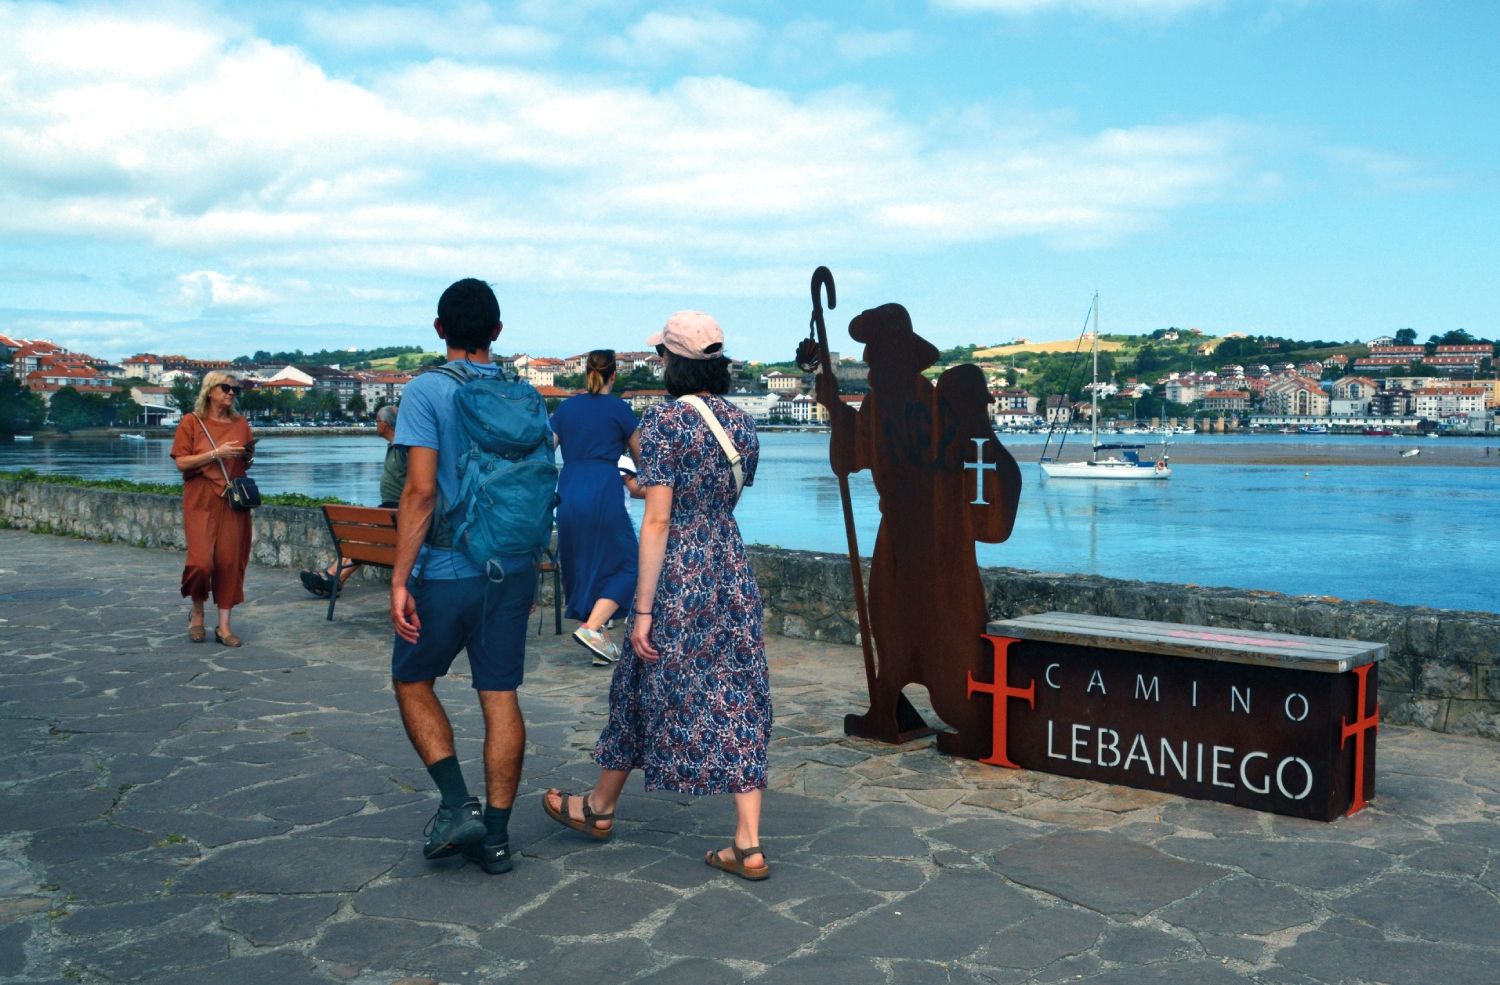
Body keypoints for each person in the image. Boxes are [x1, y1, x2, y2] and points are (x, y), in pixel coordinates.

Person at [543, 311, 772, 881]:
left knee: (640, 680)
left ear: (671, 363)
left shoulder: (666, 421)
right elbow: (719, 500)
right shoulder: (742, 423)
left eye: (662, 356)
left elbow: (658, 521)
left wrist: (641, 610)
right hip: (730, 565)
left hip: (680, 575)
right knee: (740, 689)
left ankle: (598, 808)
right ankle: (747, 842)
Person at [389, 278, 540, 876]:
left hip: (449, 568)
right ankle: (497, 838)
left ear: (438, 329)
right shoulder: (523, 392)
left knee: (413, 678)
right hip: (514, 566)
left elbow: (420, 491)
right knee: (499, 695)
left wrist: (401, 578)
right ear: (497, 333)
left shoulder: (425, 391)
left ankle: (457, 806)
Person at [548, 350, 642, 665]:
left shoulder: (565, 408)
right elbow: (643, 459)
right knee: (631, 564)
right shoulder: (620, 409)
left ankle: (598, 640)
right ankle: (590, 627)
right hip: (603, 488)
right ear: (614, 374)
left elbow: (545, 451)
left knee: (586, 561)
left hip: (570, 489)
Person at [169, 371, 255, 647]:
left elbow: (243, 465)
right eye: (226, 387)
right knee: (201, 562)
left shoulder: (241, 424)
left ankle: (224, 626)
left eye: (235, 390)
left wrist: (246, 456)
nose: (231, 393)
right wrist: (216, 454)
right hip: (200, 499)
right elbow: (182, 462)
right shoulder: (191, 422)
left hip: (232, 501)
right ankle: (197, 611)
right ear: (209, 390)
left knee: (230, 562)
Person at [299, 404, 407, 597]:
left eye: (377, 421)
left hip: (397, 513)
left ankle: (333, 577)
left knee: (364, 537)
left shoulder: (402, 448)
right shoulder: (395, 447)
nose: (375, 425)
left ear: (386, 425)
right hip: (389, 513)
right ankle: (334, 578)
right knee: (363, 536)